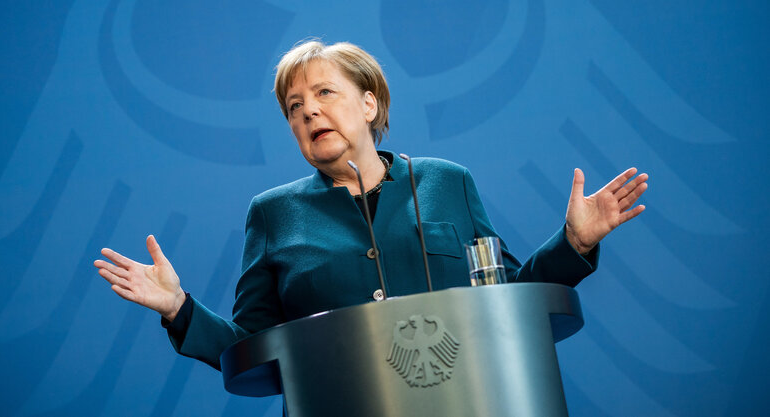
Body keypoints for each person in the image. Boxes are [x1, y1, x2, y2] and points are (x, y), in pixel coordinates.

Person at [93, 40, 648, 371]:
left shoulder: (447, 182)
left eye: (323, 94)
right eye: (294, 107)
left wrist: (575, 242)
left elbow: (504, 300)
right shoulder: (272, 214)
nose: (308, 112)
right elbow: (252, 347)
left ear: (369, 101)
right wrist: (179, 308)